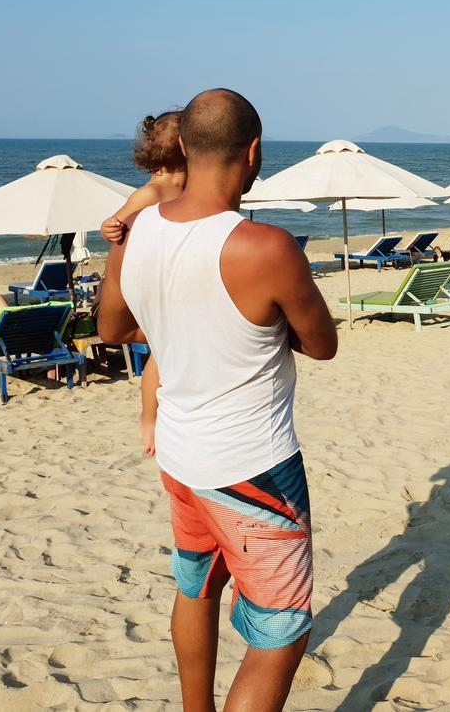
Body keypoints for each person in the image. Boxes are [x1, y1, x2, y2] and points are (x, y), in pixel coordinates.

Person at [98, 89, 337, 712]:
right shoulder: (267, 247)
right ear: (252, 152)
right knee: (281, 634)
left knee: (196, 589)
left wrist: (185, 319)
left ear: (184, 148)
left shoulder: (138, 231)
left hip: (179, 458)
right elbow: (321, 344)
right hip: (253, 467)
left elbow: (112, 330)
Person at [100, 110, 188, 457]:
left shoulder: (191, 187)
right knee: (159, 357)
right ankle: (149, 416)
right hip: (156, 282)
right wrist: (111, 225)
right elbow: (115, 225)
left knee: (167, 353)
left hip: (177, 278)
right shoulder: (151, 191)